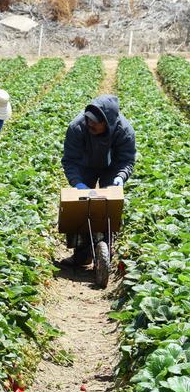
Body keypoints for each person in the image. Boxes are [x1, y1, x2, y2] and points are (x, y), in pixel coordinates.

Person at [60, 94, 136, 267]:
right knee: (80, 204)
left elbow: (127, 160)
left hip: (112, 167)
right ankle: (81, 254)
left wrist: (120, 177)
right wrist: (77, 183)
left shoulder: (124, 131)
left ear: (107, 123)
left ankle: (106, 249)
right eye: (88, 120)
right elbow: (70, 160)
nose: (90, 124)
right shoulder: (77, 127)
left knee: (109, 205)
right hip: (84, 165)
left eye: (95, 122)